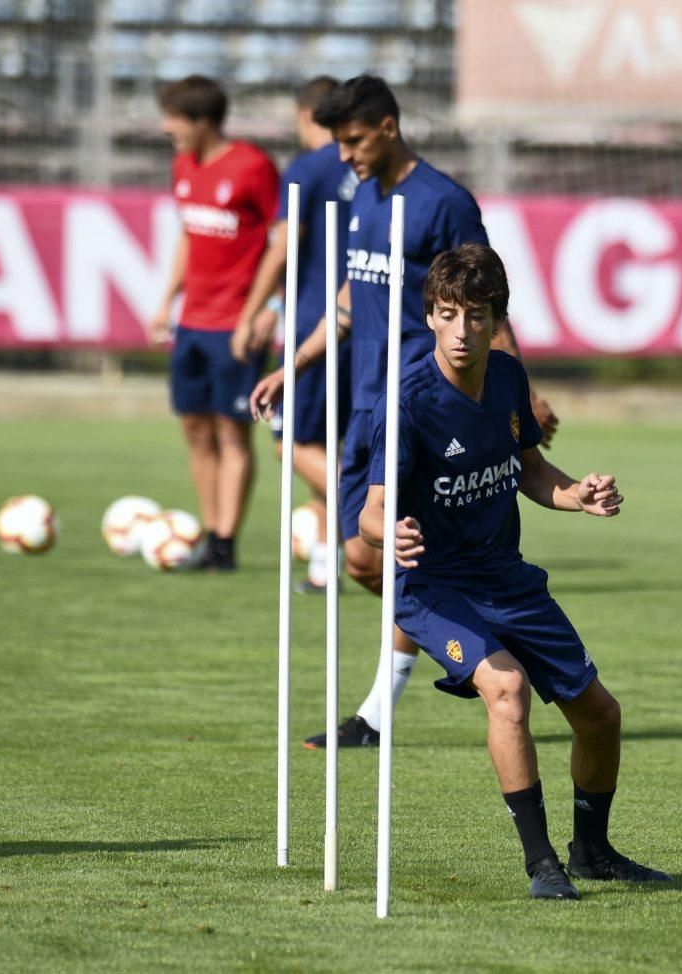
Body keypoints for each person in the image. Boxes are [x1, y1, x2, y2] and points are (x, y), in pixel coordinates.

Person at [250, 75, 558, 747]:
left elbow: (485, 298)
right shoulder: (365, 193)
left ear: (388, 127)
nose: (344, 155)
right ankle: (464, 640)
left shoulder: (444, 202)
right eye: (337, 142)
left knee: (392, 557)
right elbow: (349, 299)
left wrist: (520, 390)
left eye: (354, 140)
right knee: (368, 560)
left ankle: (383, 709)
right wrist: (293, 366)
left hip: (425, 412)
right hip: (366, 409)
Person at [360, 243, 672, 899]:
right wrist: (388, 532)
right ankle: (542, 866)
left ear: (495, 318)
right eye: (447, 314)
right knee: (506, 689)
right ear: (431, 317)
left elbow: (530, 471)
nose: (461, 331)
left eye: (476, 315)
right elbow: (371, 514)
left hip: (508, 578)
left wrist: (578, 496)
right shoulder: (408, 404)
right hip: (433, 589)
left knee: (600, 717)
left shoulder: (506, 378)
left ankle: (591, 852)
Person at [231, 76, 356, 593]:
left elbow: (284, 247)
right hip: (364, 321)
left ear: (306, 114)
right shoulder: (370, 169)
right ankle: (326, 563)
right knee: (335, 442)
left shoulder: (307, 168)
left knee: (293, 444)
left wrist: (253, 309)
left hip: (316, 326)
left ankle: (383, 514)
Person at [150, 75, 279, 570]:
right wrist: (167, 300)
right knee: (196, 431)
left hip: (237, 324)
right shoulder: (183, 164)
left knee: (232, 432)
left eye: (174, 119)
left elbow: (283, 240)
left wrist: (272, 308)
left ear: (203, 121)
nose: (167, 129)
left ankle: (226, 540)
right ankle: (209, 533)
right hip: (193, 323)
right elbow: (188, 235)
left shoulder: (253, 166)